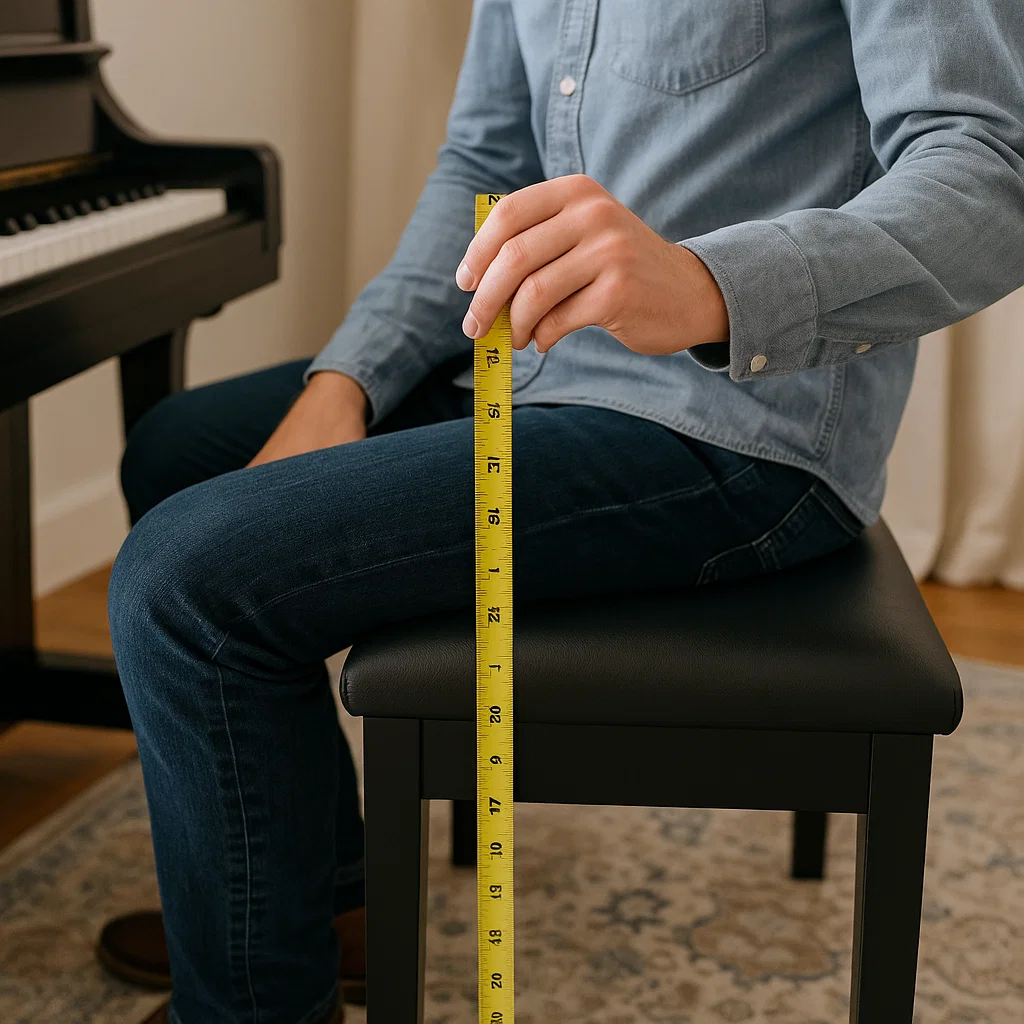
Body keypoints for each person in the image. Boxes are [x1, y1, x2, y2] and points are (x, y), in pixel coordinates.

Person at [106, 1, 1024, 1021]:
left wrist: (710, 282)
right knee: (180, 455)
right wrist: (346, 380)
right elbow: (482, 163)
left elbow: (989, 170)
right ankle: (309, 912)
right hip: (536, 364)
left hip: (733, 425)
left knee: (181, 577)